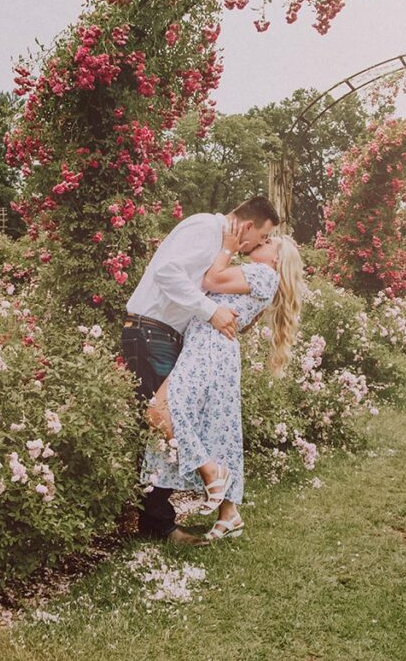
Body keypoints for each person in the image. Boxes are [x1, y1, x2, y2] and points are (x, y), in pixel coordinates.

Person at [121, 196, 279, 546]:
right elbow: (166, 273)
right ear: (248, 227)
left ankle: (156, 523)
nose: (255, 245)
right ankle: (174, 508)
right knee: (160, 415)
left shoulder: (219, 243)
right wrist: (209, 310)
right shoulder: (206, 227)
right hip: (150, 330)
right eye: (261, 237)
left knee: (165, 421)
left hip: (164, 334)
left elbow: (209, 284)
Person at [140, 230, 304, 542]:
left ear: (277, 259)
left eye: (269, 243)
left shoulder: (261, 273)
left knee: (160, 410)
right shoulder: (261, 278)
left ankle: (210, 470)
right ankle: (229, 514)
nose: (262, 241)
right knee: (218, 427)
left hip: (208, 348)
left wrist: (227, 248)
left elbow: (209, 282)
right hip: (214, 349)